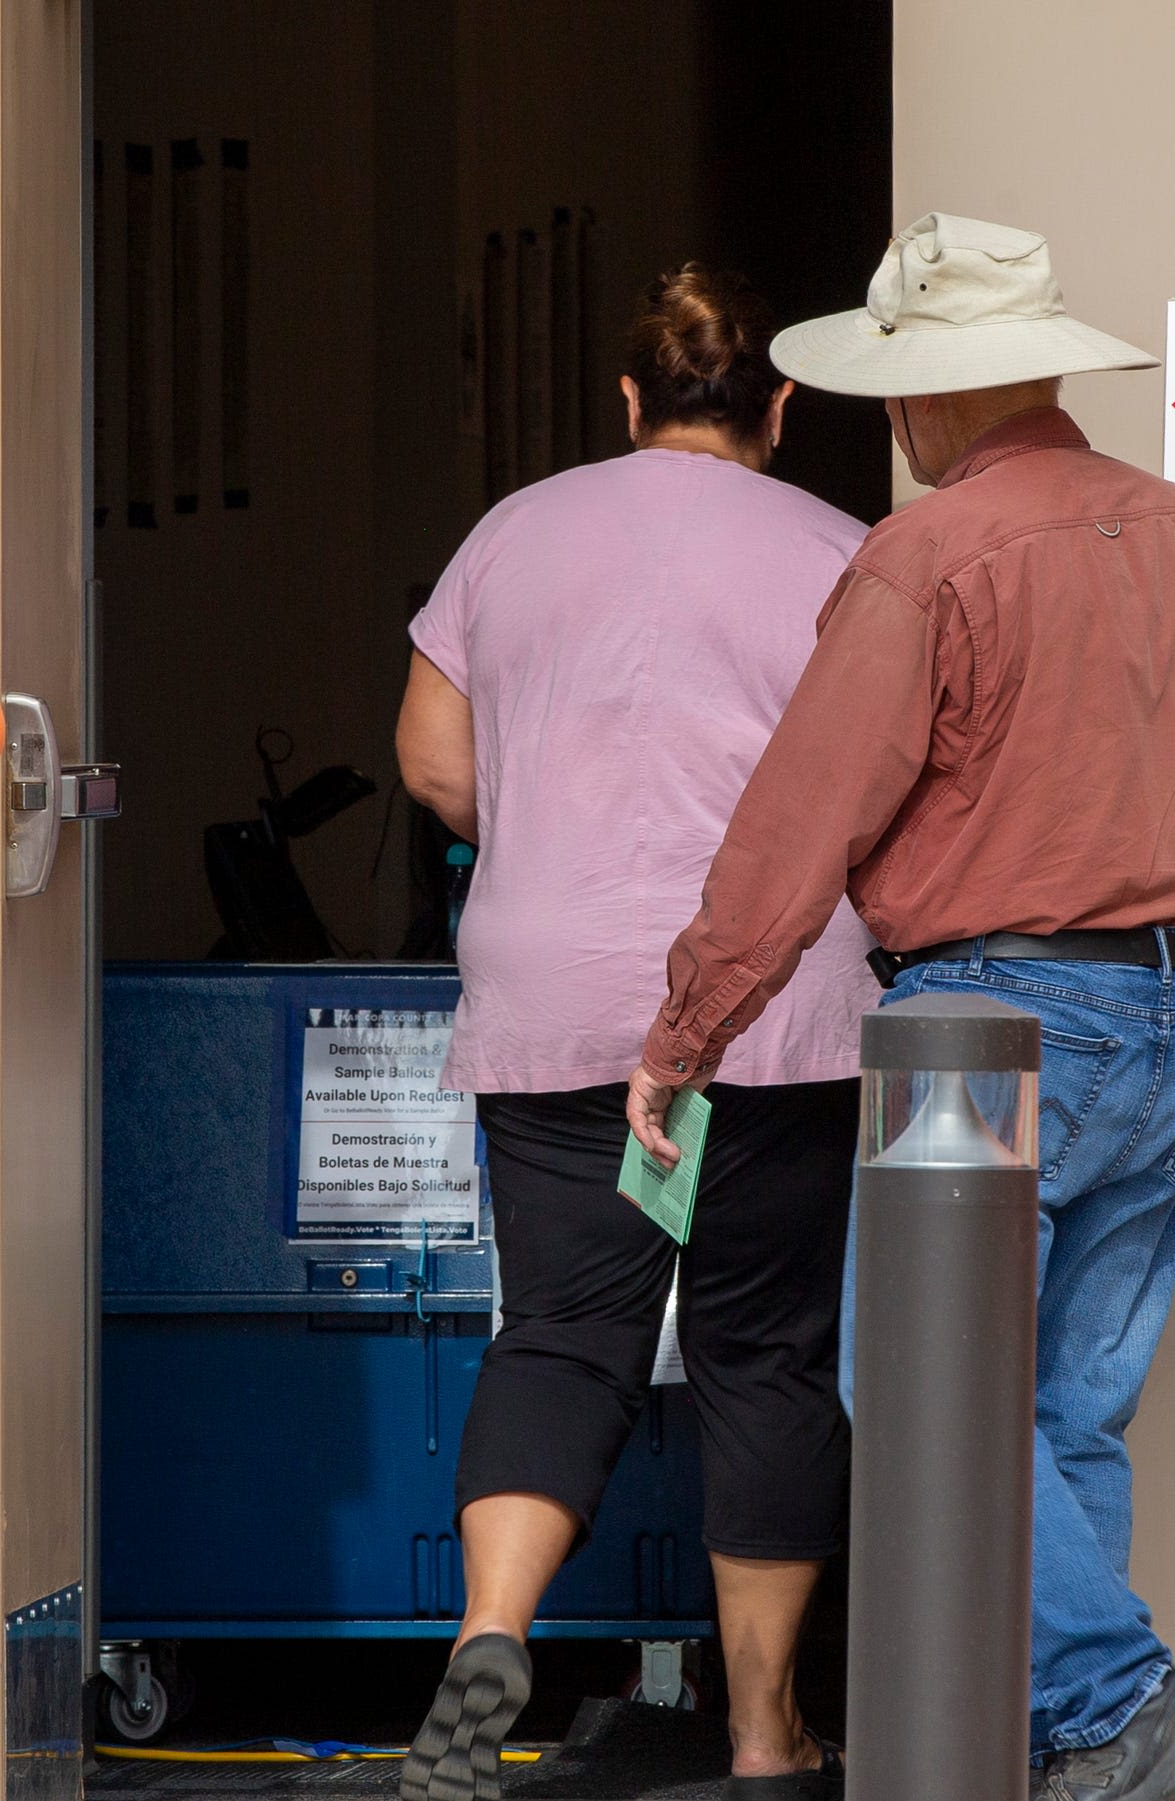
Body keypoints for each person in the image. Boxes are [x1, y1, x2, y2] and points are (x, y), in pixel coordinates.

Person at [627, 214, 1175, 1801]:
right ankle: (1053, 1755)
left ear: (932, 395)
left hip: (984, 1027)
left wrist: (688, 1033)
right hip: (1174, 1021)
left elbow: (798, 821)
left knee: (919, 1382)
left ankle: (1112, 1701)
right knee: (1072, 1413)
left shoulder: (928, 557)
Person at [393, 265, 875, 1801]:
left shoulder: (514, 534)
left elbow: (430, 762)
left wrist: (544, 821)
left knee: (563, 1336)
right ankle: (761, 1730)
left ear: (626, 399)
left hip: (561, 1002)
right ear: (779, 410)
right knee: (766, 1355)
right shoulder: (843, 554)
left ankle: (490, 1629)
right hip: (775, 1019)